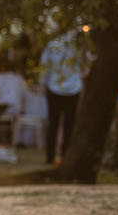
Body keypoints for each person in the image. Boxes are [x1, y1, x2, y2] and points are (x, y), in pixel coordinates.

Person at [39, 28, 90, 164]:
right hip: (72, 89)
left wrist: (43, 84)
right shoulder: (79, 47)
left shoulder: (52, 45)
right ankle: (64, 154)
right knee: (69, 124)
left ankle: (50, 156)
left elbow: (44, 67)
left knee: (53, 124)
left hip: (55, 87)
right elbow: (86, 66)